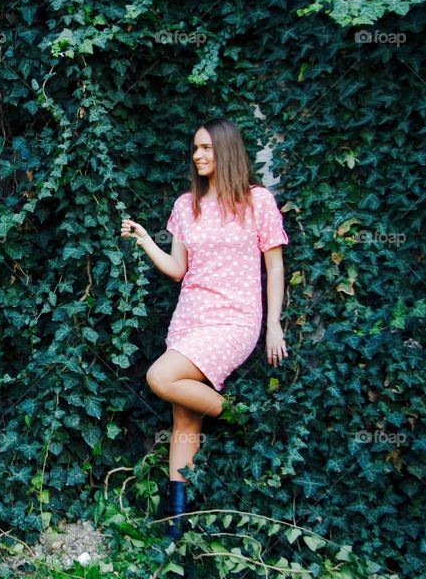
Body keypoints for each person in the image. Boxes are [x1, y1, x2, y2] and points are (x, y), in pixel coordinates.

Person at [120, 117, 289, 541]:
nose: (197, 155)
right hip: (189, 318)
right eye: (195, 148)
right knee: (183, 423)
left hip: (234, 320)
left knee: (160, 376)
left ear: (227, 151)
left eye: (206, 148)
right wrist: (145, 240)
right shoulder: (185, 205)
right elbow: (178, 270)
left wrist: (273, 326)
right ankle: (175, 531)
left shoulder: (257, 202)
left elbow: (274, 264)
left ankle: (237, 416)